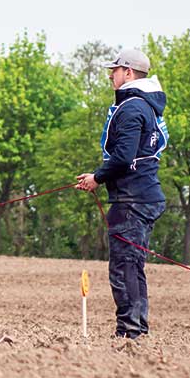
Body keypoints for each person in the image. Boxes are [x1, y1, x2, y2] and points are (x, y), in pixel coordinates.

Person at [76, 48, 168, 339]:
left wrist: (97, 178)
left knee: (123, 266)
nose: (110, 75)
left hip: (132, 200)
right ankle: (137, 328)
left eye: (114, 70)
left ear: (129, 73)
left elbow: (123, 157)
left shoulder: (131, 108)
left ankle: (129, 332)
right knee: (134, 265)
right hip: (144, 197)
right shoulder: (147, 107)